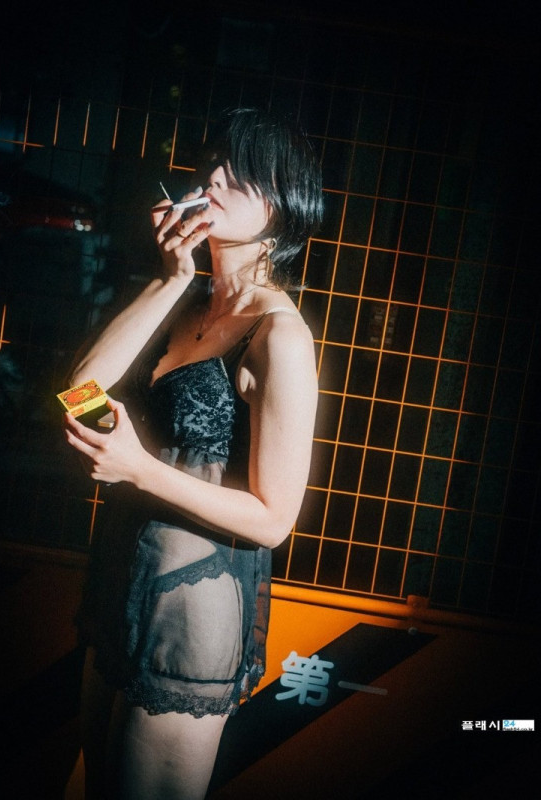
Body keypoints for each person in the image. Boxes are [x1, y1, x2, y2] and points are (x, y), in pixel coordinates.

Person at [63, 107, 323, 800]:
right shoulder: (187, 302)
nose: (214, 177)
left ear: (285, 205)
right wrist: (172, 275)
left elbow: (274, 519)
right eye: (212, 162)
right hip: (120, 583)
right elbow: (79, 389)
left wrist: (139, 468)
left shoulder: (280, 336)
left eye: (242, 171)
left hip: (192, 614)